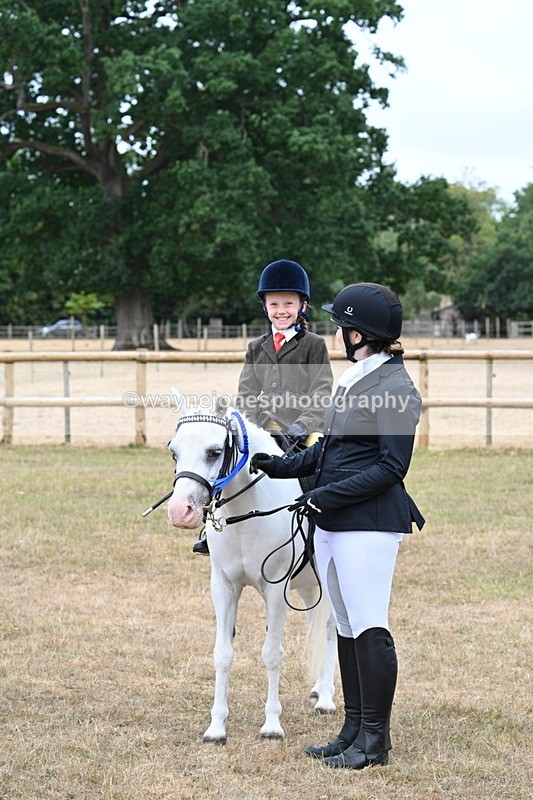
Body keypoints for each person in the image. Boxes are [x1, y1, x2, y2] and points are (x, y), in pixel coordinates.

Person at [249, 282, 425, 770]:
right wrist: (280, 466)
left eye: (343, 325)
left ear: (362, 332)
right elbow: (331, 449)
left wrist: (323, 495)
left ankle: (376, 741)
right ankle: (352, 729)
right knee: (345, 627)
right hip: (333, 520)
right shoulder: (355, 378)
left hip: (367, 524)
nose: (338, 332)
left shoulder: (395, 387)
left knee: (370, 628)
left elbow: (392, 467)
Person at [192, 258, 333, 555]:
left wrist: (301, 426)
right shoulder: (256, 347)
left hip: (300, 432)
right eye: (274, 304)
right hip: (261, 429)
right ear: (265, 307)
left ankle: (316, 532)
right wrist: (252, 427)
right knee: (226, 468)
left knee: (313, 471)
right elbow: (246, 392)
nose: (281, 311)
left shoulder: (314, 345)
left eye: (288, 303)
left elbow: (321, 391)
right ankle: (211, 527)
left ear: (302, 306)